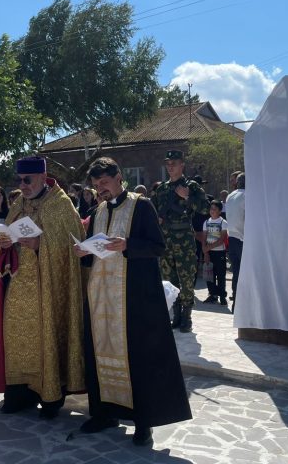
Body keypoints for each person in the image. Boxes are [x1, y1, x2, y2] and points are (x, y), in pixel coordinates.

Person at [76, 157, 191, 446]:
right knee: (99, 356)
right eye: (96, 185)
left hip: (133, 299)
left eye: (104, 183)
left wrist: (128, 245)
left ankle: (143, 422)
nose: (100, 189)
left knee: (138, 359)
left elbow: (158, 246)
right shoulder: (98, 210)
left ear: (119, 177)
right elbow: (94, 253)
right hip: (101, 299)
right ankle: (104, 413)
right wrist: (84, 252)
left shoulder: (141, 206)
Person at [0, 156, 85, 419]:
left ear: (43, 177)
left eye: (27, 180)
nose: (22, 185)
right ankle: (19, 393)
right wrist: (5, 244)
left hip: (48, 289)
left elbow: (73, 246)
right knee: (15, 338)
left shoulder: (61, 204)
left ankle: (50, 397)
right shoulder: (18, 204)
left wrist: (40, 245)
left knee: (46, 337)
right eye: (19, 180)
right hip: (17, 286)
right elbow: (7, 242)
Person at [151, 150, 207, 332]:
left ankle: (187, 317)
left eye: (174, 163)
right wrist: (156, 219)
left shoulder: (191, 186)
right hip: (166, 241)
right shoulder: (161, 189)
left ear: (182, 164)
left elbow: (205, 208)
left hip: (184, 241)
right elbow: (153, 211)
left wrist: (187, 197)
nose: (170, 167)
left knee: (186, 278)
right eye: (168, 163)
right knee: (169, 279)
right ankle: (176, 315)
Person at [202, 199, 228, 306]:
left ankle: (222, 296)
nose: (212, 211)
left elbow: (221, 240)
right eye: (211, 209)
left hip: (220, 253)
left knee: (221, 275)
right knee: (209, 276)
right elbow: (204, 238)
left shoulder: (223, 223)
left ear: (220, 211)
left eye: (215, 209)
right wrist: (205, 253)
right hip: (209, 253)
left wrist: (207, 248)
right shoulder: (206, 222)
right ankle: (212, 295)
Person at [225, 173, 245, 308]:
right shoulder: (247, 196)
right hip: (243, 239)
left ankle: (236, 302)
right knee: (244, 273)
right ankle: (242, 303)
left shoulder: (230, 196)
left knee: (236, 272)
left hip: (232, 238)